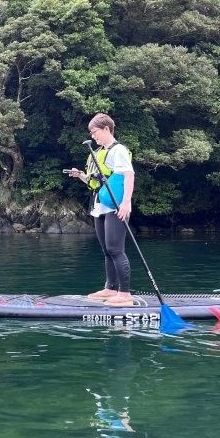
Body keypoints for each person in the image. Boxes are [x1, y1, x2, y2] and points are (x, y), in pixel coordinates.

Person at [67, 113, 135, 307]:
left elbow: (129, 176)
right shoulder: (99, 152)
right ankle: (110, 288)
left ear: (106, 129)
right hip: (100, 205)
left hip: (116, 205)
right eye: (91, 133)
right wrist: (81, 176)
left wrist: (126, 203)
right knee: (106, 250)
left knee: (116, 249)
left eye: (95, 131)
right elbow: (95, 181)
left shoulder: (118, 150)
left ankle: (125, 293)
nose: (93, 136)